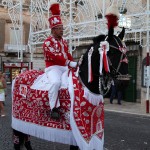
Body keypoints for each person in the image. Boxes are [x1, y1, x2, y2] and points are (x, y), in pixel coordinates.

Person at [43, 1, 77, 119]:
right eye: (59, 28)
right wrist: (68, 62)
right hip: (53, 67)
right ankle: (54, 108)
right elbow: (54, 57)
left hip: (65, 67)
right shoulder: (47, 42)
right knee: (56, 82)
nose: (62, 30)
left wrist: (74, 63)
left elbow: (67, 53)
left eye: (62, 28)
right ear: (53, 30)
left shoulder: (63, 41)